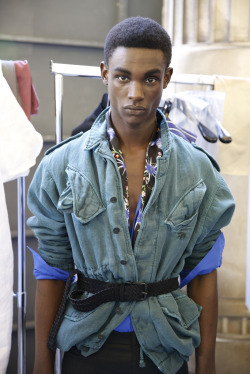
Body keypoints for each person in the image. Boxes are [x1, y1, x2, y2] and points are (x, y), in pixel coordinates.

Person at [27, 16, 235, 374]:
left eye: (150, 78)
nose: (135, 93)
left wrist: (208, 366)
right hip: (86, 347)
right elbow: (52, 270)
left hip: (163, 350)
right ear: (105, 73)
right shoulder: (61, 166)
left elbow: (204, 273)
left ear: (166, 78)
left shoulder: (199, 172)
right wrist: (42, 365)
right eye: (123, 76)